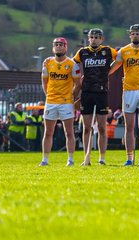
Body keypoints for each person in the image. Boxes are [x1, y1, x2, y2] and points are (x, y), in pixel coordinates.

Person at [110, 24, 139, 166]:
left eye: (138, 33)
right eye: (133, 33)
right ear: (130, 35)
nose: (135, 36)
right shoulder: (124, 51)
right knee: (129, 126)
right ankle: (129, 158)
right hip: (129, 91)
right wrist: (100, 76)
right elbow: (114, 67)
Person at [74, 27, 115, 165]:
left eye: (97, 37)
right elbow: (71, 65)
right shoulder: (83, 52)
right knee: (86, 127)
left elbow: (123, 57)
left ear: (101, 39)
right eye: (92, 37)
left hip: (102, 92)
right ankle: (87, 157)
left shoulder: (108, 51)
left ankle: (102, 158)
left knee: (102, 127)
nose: (94, 39)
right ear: (88, 38)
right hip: (86, 93)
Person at [40, 37, 81, 166]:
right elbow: (44, 81)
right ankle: (45, 160)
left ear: (66, 47)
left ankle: (70, 159)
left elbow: (78, 84)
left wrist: (72, 97)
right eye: (56, 44)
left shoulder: (72, 64)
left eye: (61, 45)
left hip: (66, 102)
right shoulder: (47, 63)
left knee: (69, 131)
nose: (58, 47)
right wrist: (48, 95)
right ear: (53, 47)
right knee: (48, 132)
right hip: (51, 101)